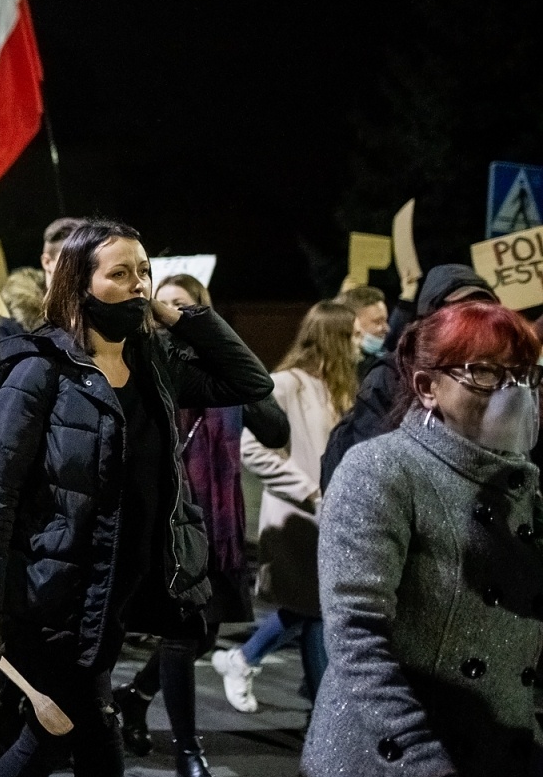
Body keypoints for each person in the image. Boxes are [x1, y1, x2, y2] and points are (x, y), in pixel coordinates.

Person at [0, 220, 272, 777]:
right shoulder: (39, 370)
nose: (138, 284)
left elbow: (248, 384)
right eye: (120, 273)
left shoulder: (156, 363)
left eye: (144, 271)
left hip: (122, 596)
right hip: (51, 597)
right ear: (78, 284)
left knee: (53, 731)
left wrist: (190, 315)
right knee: (98, 750)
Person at [293, 300, 543, 777]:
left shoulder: (522, 484)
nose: (510, 393)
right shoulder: (382, 470)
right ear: (428, 387)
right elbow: (356, 633)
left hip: (500, 766)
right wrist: (416, 760)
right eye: (484, 373)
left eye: (521, 375)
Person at [113, 273, 289, 777]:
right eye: (160, 307)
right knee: (181, 633)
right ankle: (190, 751)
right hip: (172, 522)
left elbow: (276, 430)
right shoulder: (151, 367)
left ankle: (136, 696)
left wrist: (212, 352)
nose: (167, 317)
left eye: (180, 309)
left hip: (221, 520)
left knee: (207, 634)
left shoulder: (220, 374)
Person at [212, 300, 357, 716]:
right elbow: (248, 447)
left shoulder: (341, 387)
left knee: (314, 608)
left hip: (328, 516)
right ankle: (321, 709)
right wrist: (308, 490)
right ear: (336, 338)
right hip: (300, 517)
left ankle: (245, 660)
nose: (367, 340)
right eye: (358, 333)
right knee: (314, 609)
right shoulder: (285, 384)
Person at [320, 265, 497, 487]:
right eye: (457, 312)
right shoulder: (390, 377)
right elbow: (371, 474)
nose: (472, 321)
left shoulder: (504, 376)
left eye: (482, 310)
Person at [0, 219, 83, 400]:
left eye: (85, 261)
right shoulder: (11, 329)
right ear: (47, 262)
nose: (77, 270)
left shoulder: (95, 317)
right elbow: (3, 402)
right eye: (69, 260)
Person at [339, 284, 389, 373]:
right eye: (377, 322)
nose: (387, 328)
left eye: (385, 320)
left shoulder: (385, 363)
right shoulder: (332, 368)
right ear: (353, 323)